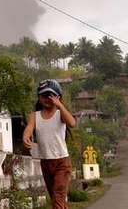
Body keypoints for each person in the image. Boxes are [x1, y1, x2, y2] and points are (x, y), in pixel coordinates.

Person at [23, 79, 77, 209]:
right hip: (46, 162)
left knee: (58, 198)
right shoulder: (35, 116)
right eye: (43, 95)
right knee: (56, 198)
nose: (47, 98)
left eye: (50, 95)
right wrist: (26, 136)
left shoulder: (60, 114)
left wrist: (60, 106)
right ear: (39, 97)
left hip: (62, 162)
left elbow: (72, 123)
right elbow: (29, 128)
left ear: (57, 97)